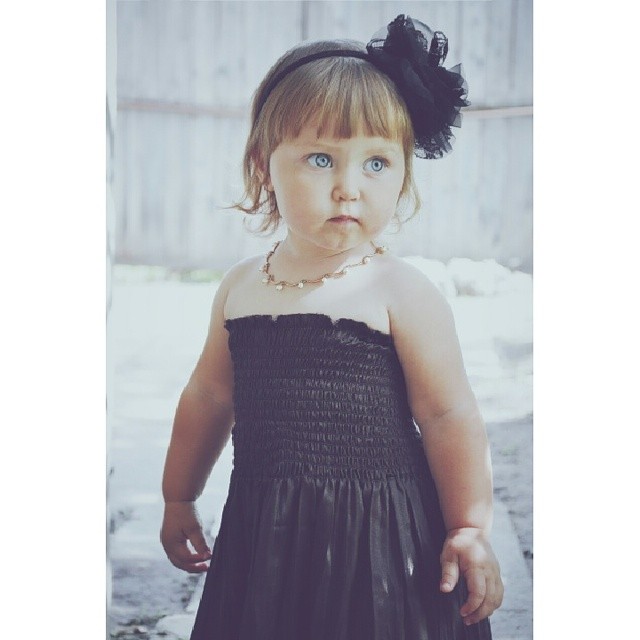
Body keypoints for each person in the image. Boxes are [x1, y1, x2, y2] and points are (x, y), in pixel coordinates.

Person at [160, 14, 504, 640]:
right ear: (264, 166)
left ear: (404, 172)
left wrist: (468, 527)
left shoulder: (401, 291)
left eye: (377, 162)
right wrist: (178, 496)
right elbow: (209, 395)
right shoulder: (240, 286)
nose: (349, 187)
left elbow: (449, 415)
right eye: (321, 159)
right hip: (267, 535)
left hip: (382, 540)